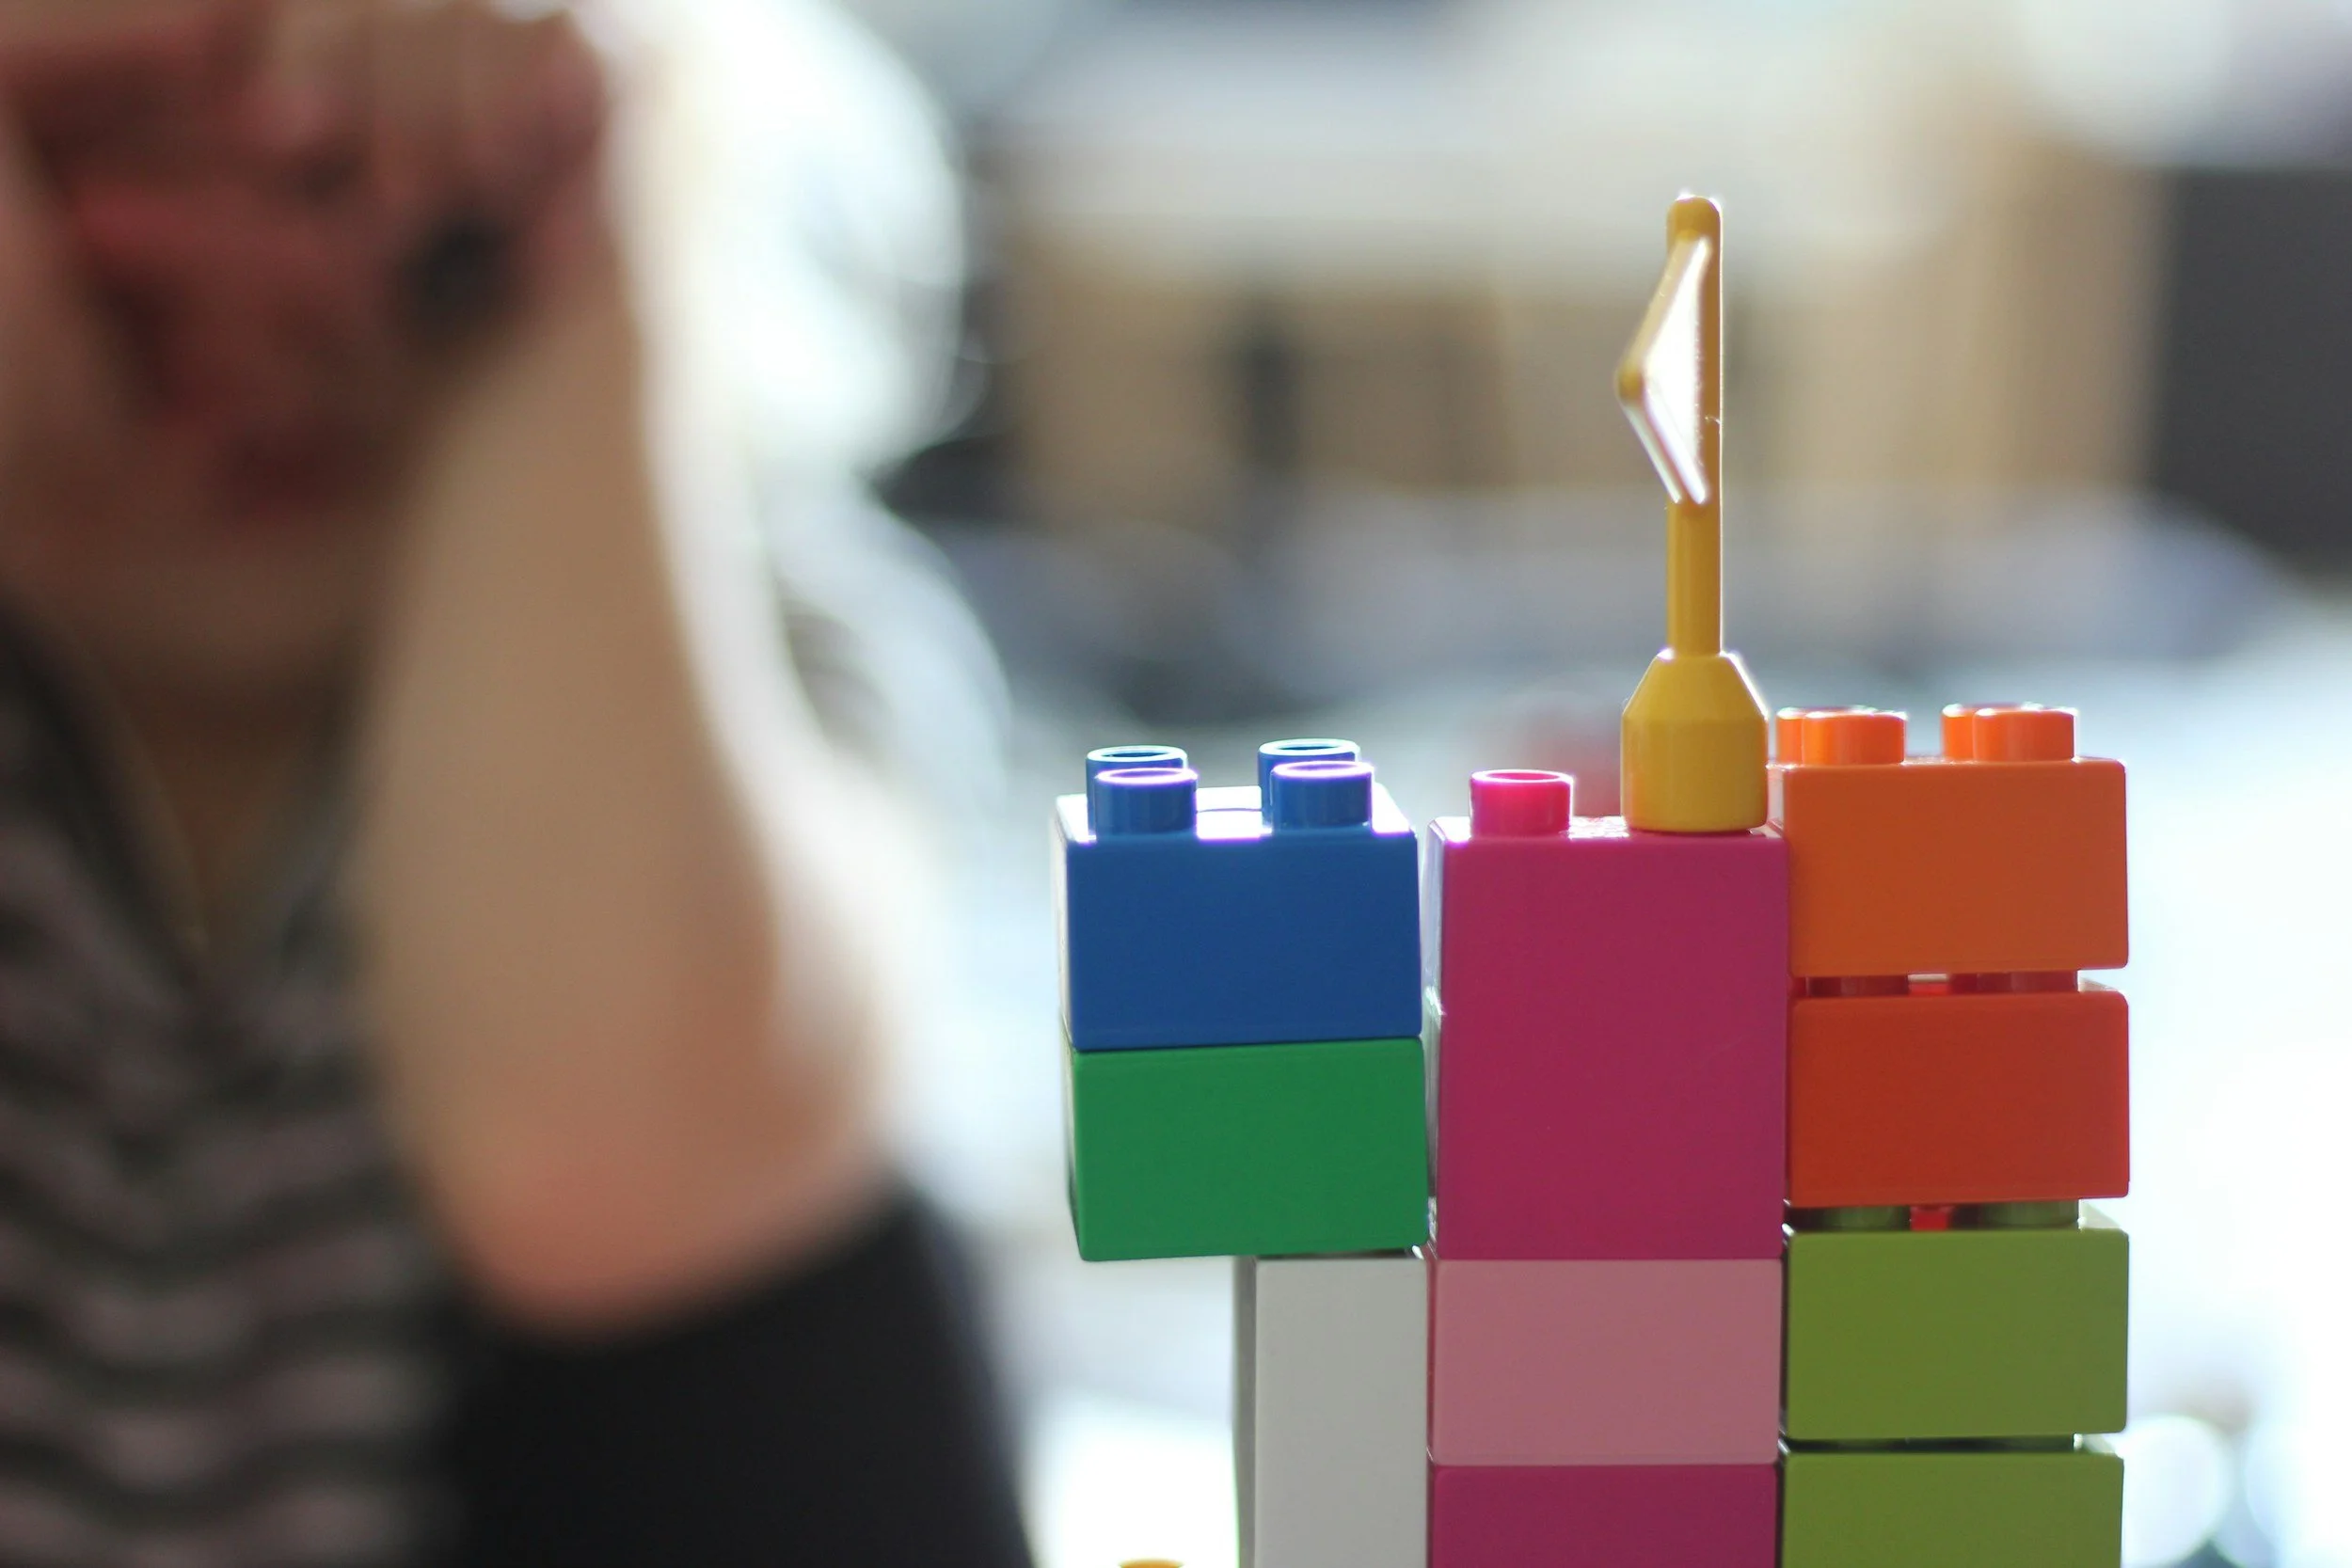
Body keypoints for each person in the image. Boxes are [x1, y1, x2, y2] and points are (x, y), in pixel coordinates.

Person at [0, 0, 1028, 1562]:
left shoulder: (778, 644)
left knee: (781, 1247)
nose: (271, 315)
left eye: (360, 184)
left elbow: (601, 1157)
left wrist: (571, 206)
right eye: (116, 160)